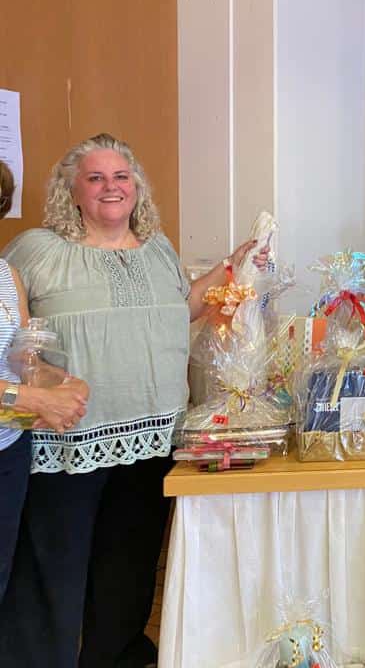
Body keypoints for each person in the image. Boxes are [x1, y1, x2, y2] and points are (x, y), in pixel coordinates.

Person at [0, 133, 266, 667]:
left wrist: (230, 267)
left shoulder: (157, 247)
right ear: (71, 191)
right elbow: (14, 335)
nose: (111, 187)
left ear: (137, 187)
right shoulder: (34, 250)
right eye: (95, 177)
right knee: (53, 568)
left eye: (121, 176)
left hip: (153, 433)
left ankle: (115, 656)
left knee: (129, 562)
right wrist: (43, 387)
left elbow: (182, 308)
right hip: (68, 437)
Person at [0, 161, 90, 603]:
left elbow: (20, 358)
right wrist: (34, 399)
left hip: (8, 448)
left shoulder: (6, 274)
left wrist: (61, 382)